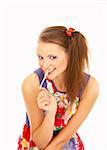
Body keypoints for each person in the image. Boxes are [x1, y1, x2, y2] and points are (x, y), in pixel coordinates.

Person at [17, 26, 99, 150]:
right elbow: (40, 143)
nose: (44, 65)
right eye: (40, 57)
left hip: (66, 143)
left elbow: (63, 138)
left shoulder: (90, 86)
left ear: (71, 56)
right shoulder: (31, 84)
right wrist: (50, 112)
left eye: (52, 57)